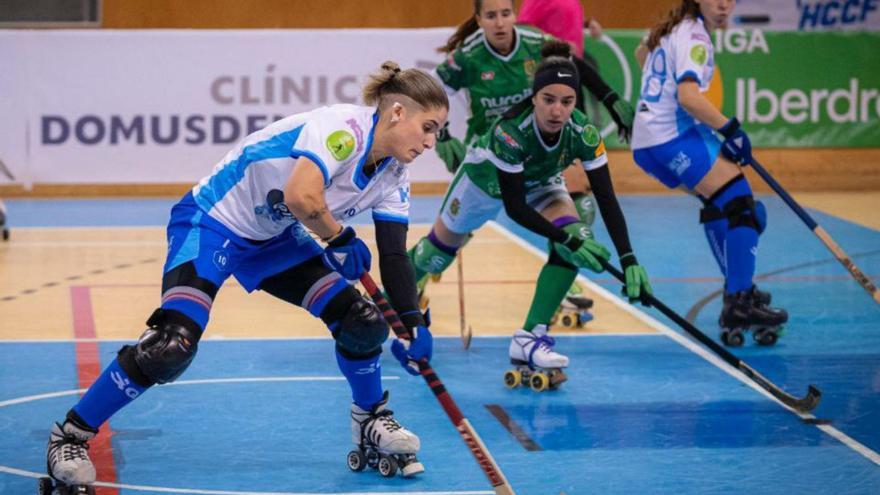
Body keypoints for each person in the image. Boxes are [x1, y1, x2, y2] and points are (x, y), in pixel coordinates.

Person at [41, 61, 448, 492]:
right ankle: (70, 435)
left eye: (438, 132)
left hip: (274, 238)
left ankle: (370, 419)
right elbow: (301, 194)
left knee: (364, 323)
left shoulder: (394, 175)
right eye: (428, 127)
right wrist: (339, 236)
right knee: (171, 345)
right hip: (213, 221)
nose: (430, 142)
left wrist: (410, 322)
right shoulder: (343, 129)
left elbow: (393, 254)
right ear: (398, 113)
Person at [410, 41, 652, 388]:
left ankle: (530, 338)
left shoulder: (583, 132)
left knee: (579, 236)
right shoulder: (510, 132)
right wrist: (566, 236)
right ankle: (395, 291)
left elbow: (607, 197)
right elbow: (515, 208)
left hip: (541, 183)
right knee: (434, 257)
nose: (557, 110)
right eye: (549, 100)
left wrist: (629, 259)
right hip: (483, 185)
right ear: (534, 97)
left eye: (567, 101)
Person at [428, 0, 634, 316]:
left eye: (505, 14)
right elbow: (432, 89)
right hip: (491, 155)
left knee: (581, 205)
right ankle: (423, 272)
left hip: (538, 149)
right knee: (451, 239)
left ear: (514, 15)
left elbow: (572, 65)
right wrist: (440, 135)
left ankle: (563, 275)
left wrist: (609, 97)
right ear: (479, 19)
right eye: (491, 16)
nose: (499, 23)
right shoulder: (469, 55)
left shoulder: (534, 43)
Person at [631, 0, 787, 346]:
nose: (724, 4)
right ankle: (739, 301)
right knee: (743, 206)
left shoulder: (674, 26)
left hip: (649, 140)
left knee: (721, 204)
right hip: (672, 136)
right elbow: (688, 96)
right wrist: (731, 129)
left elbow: (643, 55)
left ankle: (739, 289)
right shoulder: (695, 36)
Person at [516, 0, 637, 319]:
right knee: (576, 199)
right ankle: (564, 271)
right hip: (544, 104)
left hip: (569, 100)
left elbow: (572, 53)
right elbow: (525, 32)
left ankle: (562, 272)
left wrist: (588, 24)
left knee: (582, 202)